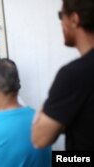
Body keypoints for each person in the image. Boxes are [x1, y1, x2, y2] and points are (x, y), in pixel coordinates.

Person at [32, 0, 94, 150]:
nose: (61, 23)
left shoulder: (75, 74)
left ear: (74, 19)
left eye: (61, 16)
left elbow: (39, 138)